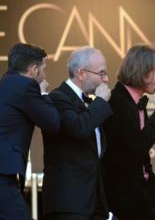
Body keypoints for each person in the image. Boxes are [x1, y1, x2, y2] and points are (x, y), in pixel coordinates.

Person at [41, 46, 113, 220]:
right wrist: (101, 102)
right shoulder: (58, 98)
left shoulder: (92, 103)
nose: (106, 79)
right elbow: (78, 128)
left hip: (94, 200)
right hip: (69, 202)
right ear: (81, 73)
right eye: (101, 73)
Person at [102, 44, 155, 220]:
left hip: (140, 196)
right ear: (144, 72)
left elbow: (143, 158)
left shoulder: (135, 102)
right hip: (122, 201)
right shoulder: (116, 102)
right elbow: (137, 147)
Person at [0, 43, 59, 220]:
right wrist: (43, 93)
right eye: (43, 69)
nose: (45, 75)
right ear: (34, 69)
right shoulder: (25, 86)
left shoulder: (6, 83)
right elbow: (52, 123)